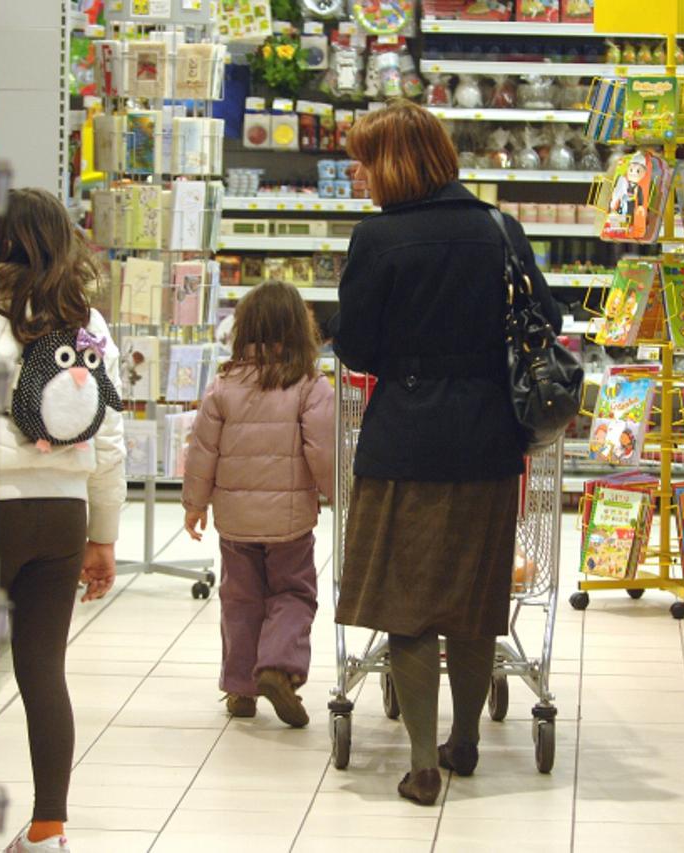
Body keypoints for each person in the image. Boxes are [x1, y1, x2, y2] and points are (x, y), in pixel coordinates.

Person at [329, 100, 563, 806]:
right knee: (473, 596)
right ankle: (466, 740)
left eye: (364, 161)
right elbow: (547, 319)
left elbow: (356, 347)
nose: (358, 174)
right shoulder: (499, 228)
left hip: (404, 441)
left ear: (395, 162)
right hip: (489, 439)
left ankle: (423, 763)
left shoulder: (377, 239)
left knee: (407, 603)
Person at [0, 187, 126, 853]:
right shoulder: (88, 325)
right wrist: (103, 536)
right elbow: (111, 439)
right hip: (63, 512)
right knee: (43, 668)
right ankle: (48, 829)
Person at [181, 282, 335, 728]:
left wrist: (194, 504)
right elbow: (323, 451)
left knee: (240, 599)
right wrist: (338, 494)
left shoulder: (222, 386)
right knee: (293, 592)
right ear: (300, 330)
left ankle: (240, 688)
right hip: (290, 522)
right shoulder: (310, 386)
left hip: (236, 522)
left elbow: (202, 452)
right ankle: (277, 667)